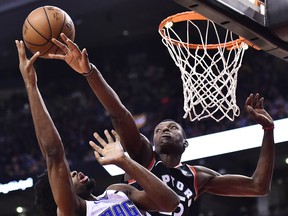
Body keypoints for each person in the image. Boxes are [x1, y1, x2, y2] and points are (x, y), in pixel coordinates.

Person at [48, 33, 275, 216]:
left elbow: (258, 186)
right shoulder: (143, 155)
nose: (165, 130)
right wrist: (90, 73)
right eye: (158, 129)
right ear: (152, 142)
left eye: (173, 127)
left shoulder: (198, 177)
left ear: (185, 143)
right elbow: (120, 115)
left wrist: (268, 130)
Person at [15, 39, 180, 216]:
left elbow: (171, 204)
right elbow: (54, 154)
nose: (75, 172)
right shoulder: (72, 212)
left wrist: (124, 161)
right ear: (58, 194)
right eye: (68, 176)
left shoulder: (118, 192)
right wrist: (31, 86)